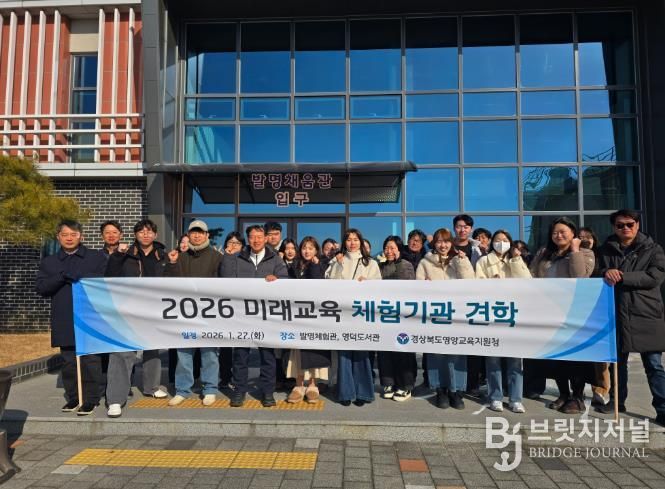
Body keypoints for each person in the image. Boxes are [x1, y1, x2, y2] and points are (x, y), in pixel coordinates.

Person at [596, 210, 665, 426]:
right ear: (614, 227)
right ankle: (617, 401)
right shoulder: (605, 249)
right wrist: (606, 272)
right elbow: (595, 271)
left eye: (629, 224)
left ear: (637, 225)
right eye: (620, 225)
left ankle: (663, 408)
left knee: (654, 365)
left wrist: (622, 276)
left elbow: (655, 276)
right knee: (617, 364)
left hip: (646, 313)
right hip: (615, 313)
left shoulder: (653, 249)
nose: (625, 228)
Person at [35, 220, 107, 415]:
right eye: (65, 234)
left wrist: (81, 275)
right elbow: (41, 288)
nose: (69, 238)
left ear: (81, 236)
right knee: (68, 361)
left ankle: (91, 399)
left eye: (73, 234)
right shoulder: (50, 262)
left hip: (90, 316)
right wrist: (61, 276)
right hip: (64, 316)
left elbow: (104, 281)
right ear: (58, 237)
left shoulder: (95, 257)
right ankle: (74, 397)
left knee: (91, 359)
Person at [529, 217, 596, 414]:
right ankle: (563, 394)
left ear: (573, 233)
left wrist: (574, 250)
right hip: (549, 312)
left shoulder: (585, 252)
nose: (558, 235)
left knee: (575, 357)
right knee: (556, 356)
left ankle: (577, 397)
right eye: (555, 232)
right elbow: (532, 274)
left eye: (563, 232)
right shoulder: (544, 253)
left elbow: (580, 276)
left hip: (574, 312)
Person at [220, 225, 289, 407]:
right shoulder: (238, 257)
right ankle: (239, 391)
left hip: (266, 316)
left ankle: (267, 392)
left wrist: (277, 279)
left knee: (268, 356)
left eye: (259, 237)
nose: (256, 240)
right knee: (240, 355)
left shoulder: (275, 258)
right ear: (248, 239)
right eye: (252, 237)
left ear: (265, 239)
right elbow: (226, 280)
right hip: (242, 314)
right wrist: (228, 257)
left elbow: (285, 279)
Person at [104, 219, 168, 418]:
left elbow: (173, 281)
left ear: (155, 235)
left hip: (153, 309)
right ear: (135, 235)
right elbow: (109, 275)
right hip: (127, 309)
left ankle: (151, 387)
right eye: (141, 232)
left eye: (149, 231)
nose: (145, 235)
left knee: (152, 349)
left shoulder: (163, 255)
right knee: (121, 352)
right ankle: (115, 399)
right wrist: (117, 255)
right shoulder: (126, 254)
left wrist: (173, 264)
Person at [164, 220, 223, 406]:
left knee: (209, 353)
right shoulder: (180, 257)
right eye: (193, 232)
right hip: (185, 313)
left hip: (209, 313)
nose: (196, 235)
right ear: (188, 235)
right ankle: (182, 390)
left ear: (207, 235)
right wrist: (172, 263)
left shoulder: (217, 257)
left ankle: (210, 388)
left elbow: (223, 284)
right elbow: (170, 282)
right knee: (184, 353)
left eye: (200, 232)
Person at [416, 228, 474, 409]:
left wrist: (462, 262)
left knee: (457, 353)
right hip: (435, 315)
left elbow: (470, 284)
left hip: (457, 315)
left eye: (446, 241)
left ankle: (456, 391)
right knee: (436, 353)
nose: (443, 245)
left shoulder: (459, 260)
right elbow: (417, 289)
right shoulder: (425, 262)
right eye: (439, 241)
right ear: (434, 243)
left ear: (452, 243)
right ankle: (440, 390)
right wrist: (424, 286)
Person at [475, 230, 531, 413]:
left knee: (515, 360)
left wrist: (516, 259)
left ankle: (516, 398)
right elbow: (476, 284)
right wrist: (491, 283)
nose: (501, 243)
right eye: (498, 240)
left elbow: (527, 282)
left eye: (505, 240)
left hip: (514, 315)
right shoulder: (484, 261)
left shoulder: (516, 260)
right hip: (492, 314)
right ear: (492, 243)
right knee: (493, 359)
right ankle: (496, 397)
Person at [326, 228, 381, 406]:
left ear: (361, 241)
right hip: (342, 314)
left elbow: (379, 286)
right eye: (349, 239)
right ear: (344, 242)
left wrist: (368, 283)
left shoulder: (370, 262)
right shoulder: (336, 260)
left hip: (361, 314)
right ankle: (345, 393)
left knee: (361, 353)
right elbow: (328, 283)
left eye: (355, 239)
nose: (352, 243)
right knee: (344, 354)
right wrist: (338, 264)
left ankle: (363, 392)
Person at [285, 236, 331, 403]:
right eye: (304, 247)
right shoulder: (294, 266)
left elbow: (318, 285)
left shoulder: (322, 264)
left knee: (313, 349)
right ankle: (298, 385)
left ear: (316, 250)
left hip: (315, 316)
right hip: (297, 314)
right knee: (297, 349)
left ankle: (312, 385)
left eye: (311, 248)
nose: (307, 251)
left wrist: (315, 265)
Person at [378, 236, 417, 402]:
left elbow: (406, 287)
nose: (389, 251)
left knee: (403, 350)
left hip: (402, 315)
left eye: (392, 248)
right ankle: (388, 383)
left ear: (399, 249)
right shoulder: (379, 266)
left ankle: (405, 385)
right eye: (386, 248)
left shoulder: (406, 265)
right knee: (385, 350)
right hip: (383, 314)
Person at [578, 226, 610, 406]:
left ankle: (602, 389)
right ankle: (578, 390)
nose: (584, 240)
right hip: (579, 308)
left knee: (599, 353)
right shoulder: (573, 255)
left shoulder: (601, 256)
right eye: (580, 237)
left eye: (588, 237)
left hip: (599, 308)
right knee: (581, 351)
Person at [452, 215, 484, 395]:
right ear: (454, 228)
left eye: (466, 227)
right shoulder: (446, 246)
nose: (462, 229)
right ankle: (454, 383)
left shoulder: (478, 250)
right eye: (459, 226)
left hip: (472, 302)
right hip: (451, 302)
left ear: (471, 229)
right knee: (453, 344)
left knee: (472, 343)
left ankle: (472, 383)